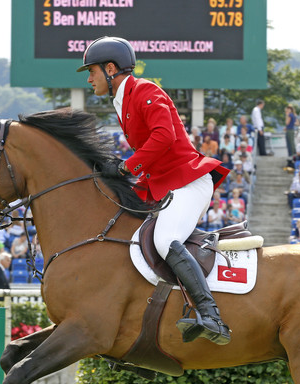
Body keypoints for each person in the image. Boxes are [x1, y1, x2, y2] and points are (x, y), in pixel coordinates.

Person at [78, 36, 231, 345]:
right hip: (164, 183)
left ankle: (211, 315)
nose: (90, 79)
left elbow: (163, 136)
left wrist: (126, 167)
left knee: (164, 240)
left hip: (187, 180)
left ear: (110, 69)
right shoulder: (122, 101)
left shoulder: (145, 91)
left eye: (92, 71)